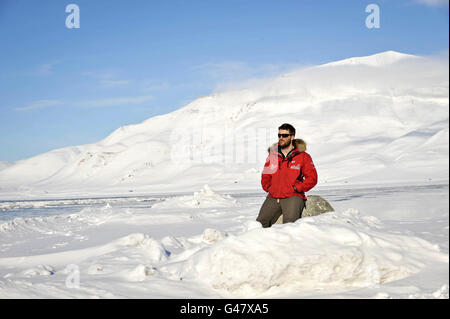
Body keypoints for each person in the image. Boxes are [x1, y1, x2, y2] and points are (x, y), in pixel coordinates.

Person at [256, 123, 318, 228]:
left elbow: (312, 178)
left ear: (292, 137)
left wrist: (296, 188)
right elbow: (265, 175)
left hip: (293, 196)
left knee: (289, 226)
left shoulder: (303, 156)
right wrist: (269, 188)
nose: (281, 138)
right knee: (259, 224)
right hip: (273, 196)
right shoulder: (273, 155)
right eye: (279, 135)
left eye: (284, 135)